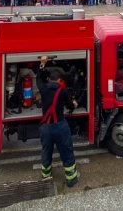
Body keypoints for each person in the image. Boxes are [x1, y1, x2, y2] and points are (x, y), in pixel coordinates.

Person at [37, 55, 79, 187]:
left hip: (46, 128)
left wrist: (42, 64)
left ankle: (46, 176)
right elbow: (70, 106)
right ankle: (71, 179)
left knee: (46, 151)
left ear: (49, 79)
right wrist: (74, 104)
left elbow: (38, 78)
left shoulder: (43, 88)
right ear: (60, 80)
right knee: (66, 151)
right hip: (60, 126)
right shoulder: (63, 91)